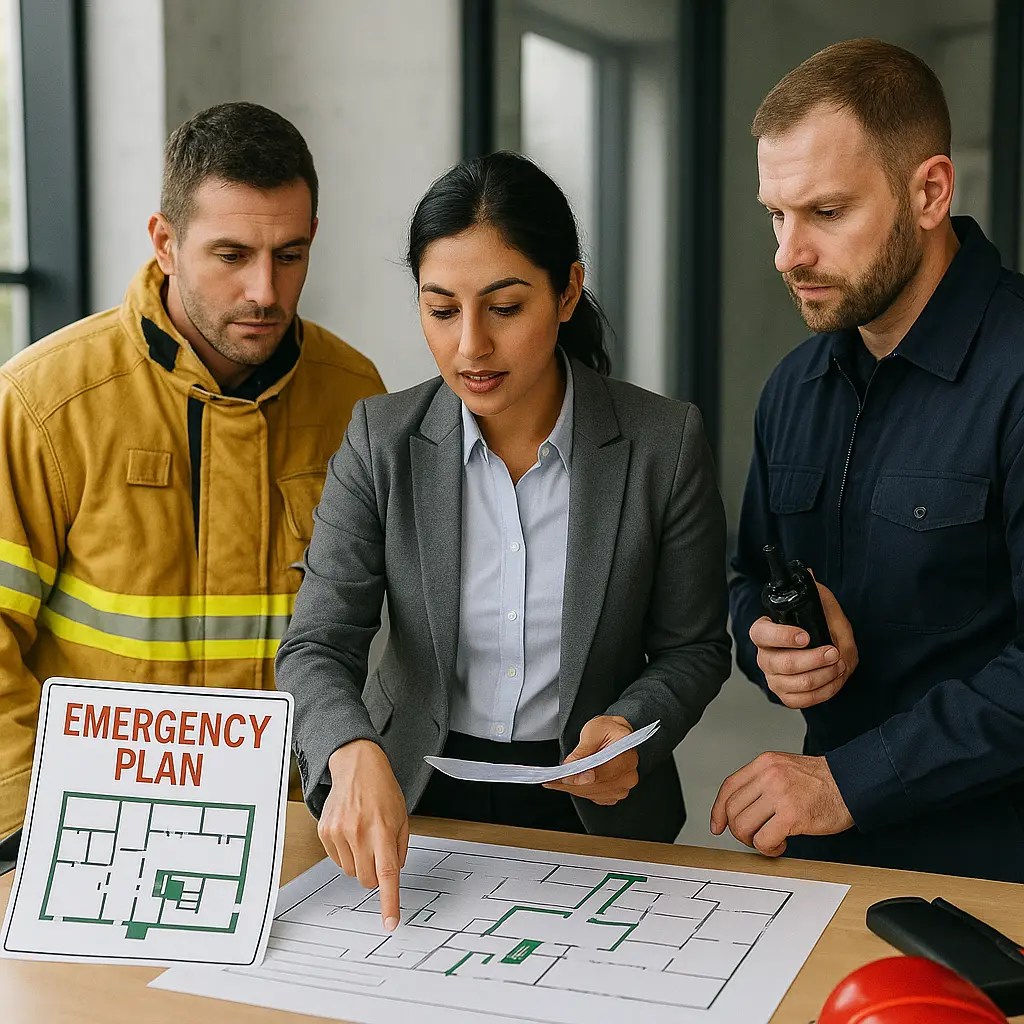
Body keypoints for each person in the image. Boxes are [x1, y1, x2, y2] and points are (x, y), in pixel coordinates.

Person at [277, 151, 731, 930]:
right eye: (441, 308)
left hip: (597, 808)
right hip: (413, 797)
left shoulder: (664, 442)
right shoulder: (380, 440)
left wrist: (630, 726)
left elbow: (695, 647)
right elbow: (316, 645)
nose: (470, 347)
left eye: (505, 307)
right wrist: (348, 749)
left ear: (567, 291)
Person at [0, 102, 384, 838]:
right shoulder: (44, 403)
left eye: (291, 255)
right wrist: (36, 827)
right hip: (90, 832)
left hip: (301, 835)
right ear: (166, 243)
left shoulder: (356, 397)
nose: (266, 292)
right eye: (232, 255)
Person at [716, 38, 1024, 881]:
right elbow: (747, 578)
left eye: (825, 212)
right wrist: (769, 641)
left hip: (997, 875)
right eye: (775, 214)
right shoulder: (794, 388)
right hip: (831, 860)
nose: (786, 253)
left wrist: (846, 782)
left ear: (929, 191)